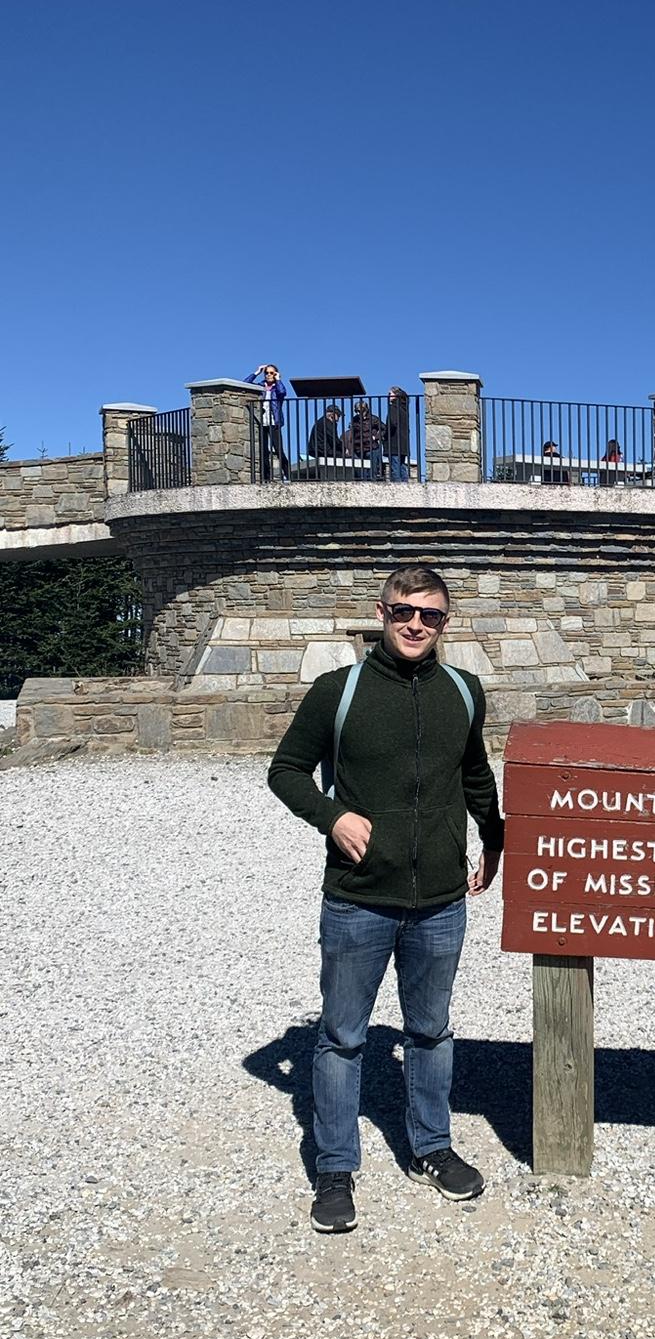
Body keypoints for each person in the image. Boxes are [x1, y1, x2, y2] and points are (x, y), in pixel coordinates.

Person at [267, 565, 505, 1234]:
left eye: (430, 615)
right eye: (404, 610)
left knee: (429, 1031)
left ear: (445, 623)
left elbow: (475, 774)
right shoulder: (336, 693)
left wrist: (497, 841)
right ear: (381, 611)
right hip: (357, 900)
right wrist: (331, 816)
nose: (416, 624)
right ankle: (335, 1168)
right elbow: (284, 770)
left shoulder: (464, 690)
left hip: (439, 900)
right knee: (342, 1038)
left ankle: (430, 1148)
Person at [247, 363, 289, 482]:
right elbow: (245, 384)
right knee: (263, 451)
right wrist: (256, 372)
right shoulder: (260, 386)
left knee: (278, 449)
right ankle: (266, 478)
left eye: (272, 373)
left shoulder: (277, 387)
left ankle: (288, 475)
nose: (268, 375)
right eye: (267, 373)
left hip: (274, 422)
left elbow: (282, 393)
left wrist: (278, 379)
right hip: (262, 422)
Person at [344, 401, 385, 479]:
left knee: (371, 473)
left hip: (371, 448)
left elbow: (384, 429)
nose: (359, 413)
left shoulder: (373, 419)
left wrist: (376, 437)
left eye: (361, 411)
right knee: (361, 475)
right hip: (358, 449)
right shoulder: (354, 419)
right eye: (357, 411)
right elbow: (352, 434)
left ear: (366, 410)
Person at [384, 386, 413, 482]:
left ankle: (397, 488)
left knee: (395, 469)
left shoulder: (394, 407)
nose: (388, 396)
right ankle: (405, 487)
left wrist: (385, 433)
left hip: (394, 442)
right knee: (402, 466)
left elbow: (392, 423)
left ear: (396, 395)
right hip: (403, 443)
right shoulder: (404, 408)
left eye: (390, 394)